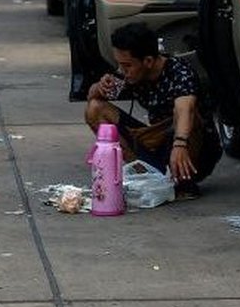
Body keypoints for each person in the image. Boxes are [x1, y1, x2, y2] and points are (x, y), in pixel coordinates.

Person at [85, 22, 222, 199]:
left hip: (191, 146)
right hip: (157, 143)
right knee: (96, 108)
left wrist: (179, 144)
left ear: (148, 61)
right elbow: (93, 99)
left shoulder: (179, 73)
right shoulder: (129, 72)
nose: (122, 71)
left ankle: (184, 183)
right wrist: (99, 87)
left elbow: (185, 109)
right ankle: (145, 174)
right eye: (120, 65)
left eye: (127, 66)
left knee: (186, 117)